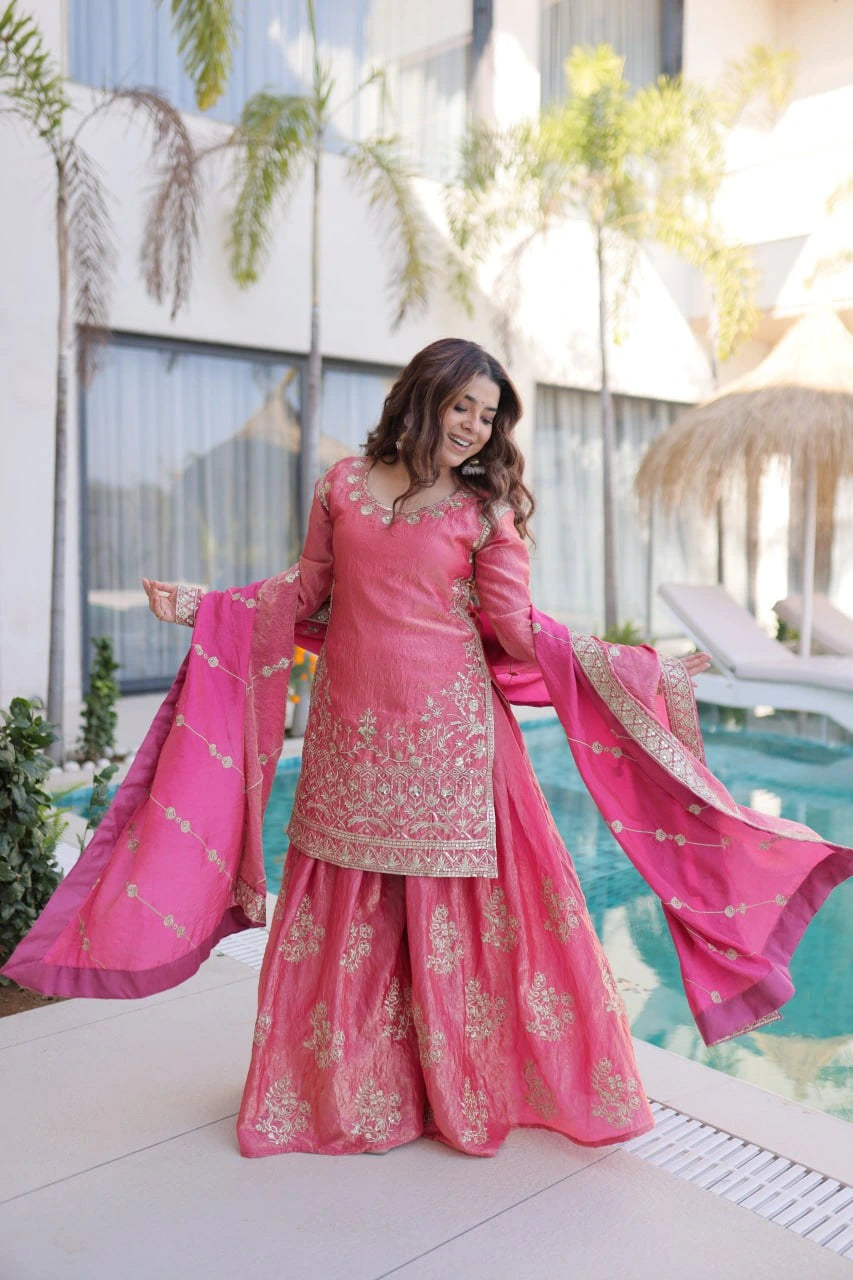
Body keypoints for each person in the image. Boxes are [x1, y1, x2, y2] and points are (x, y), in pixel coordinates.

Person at [140, 338, 710, 1158]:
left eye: (489, 415)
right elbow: (305, 594)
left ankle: (462, 1087)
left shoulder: (486, 511)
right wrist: (206, 607)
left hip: (454, 744)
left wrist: (637, 665)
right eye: (463, 407)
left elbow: (516, 630)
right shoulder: (340, 485)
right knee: (348, 915)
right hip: (350, 737)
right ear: (424, 397)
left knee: (459, 924)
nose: (476, 427)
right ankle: (345, 1092)